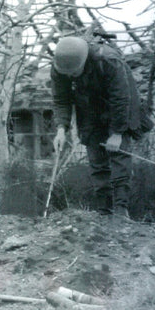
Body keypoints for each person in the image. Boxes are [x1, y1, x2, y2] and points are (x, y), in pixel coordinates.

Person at [51, 36, 143, 218]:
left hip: (119, 109)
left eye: (74, 73)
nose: (70, 77)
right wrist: (61, 129)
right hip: (90, 111)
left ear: (84, 61)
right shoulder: (60, 67)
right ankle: (104, 211)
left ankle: (121, 211)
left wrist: (117, 133)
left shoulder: (108, 61)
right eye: (67, 75)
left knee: (118, 157)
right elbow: (61, 100)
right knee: (96, 161)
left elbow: (121, 98)